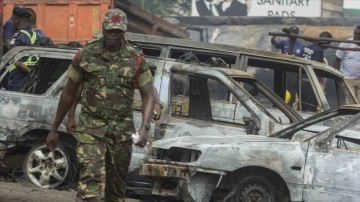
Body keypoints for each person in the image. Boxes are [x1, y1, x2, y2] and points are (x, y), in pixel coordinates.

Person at [46, 8, 156, 202]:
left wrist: (144, 127)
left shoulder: (136, 58)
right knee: (90, 182)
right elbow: (69, 92)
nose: (113, 36)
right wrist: (54, 128)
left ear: (124, 31)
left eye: (118, 32)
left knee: (116, 190)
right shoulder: (86, 54)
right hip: (91, 129)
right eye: (110, 31)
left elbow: (148, 96)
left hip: (121, 132)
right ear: (103, 29)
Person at [7, 7, 46, 91]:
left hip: (18, 82)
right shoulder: (40, 35)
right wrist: (35, 75)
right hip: (34, 82)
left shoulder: (19, 36)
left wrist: (31, 72)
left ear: (16, 21)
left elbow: (16, 61)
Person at [334, 25, 360, 103]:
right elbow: (337, 60)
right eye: (356, 33)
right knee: (350, 104)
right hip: (347, 79)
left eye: (359, 34)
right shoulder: (346, 44)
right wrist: (337, 78)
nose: (357, 36)